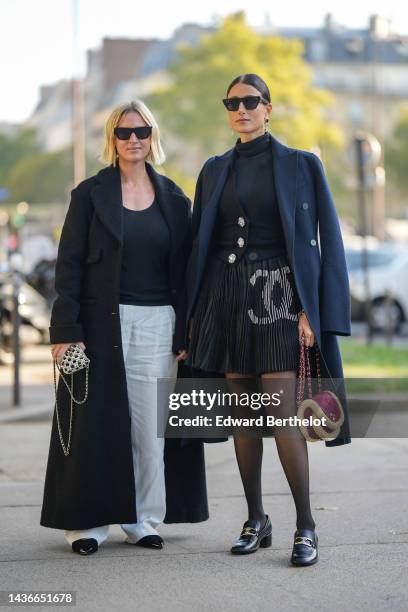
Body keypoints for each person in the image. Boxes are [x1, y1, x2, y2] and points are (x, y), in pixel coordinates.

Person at [185, 74, 351, 566]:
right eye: (233, 102)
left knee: (281, 416)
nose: (242, 109)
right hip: (228, 298)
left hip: (280, 297)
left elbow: (326, 242)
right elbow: (201, 245)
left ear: (268, 108)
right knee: (243, 418)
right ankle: (256, 518)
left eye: (251, 101)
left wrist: (313, 310)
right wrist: (192, 318)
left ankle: (306, 524)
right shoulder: (214, 169)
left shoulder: (302, 165)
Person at [41, 100, 208, 555]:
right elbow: (68, 267)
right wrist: (65, 330)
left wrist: (186, 333)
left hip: (159, 324)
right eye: (124, 132)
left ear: (153, 137)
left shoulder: (175, 199)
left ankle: (143, 520)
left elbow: (187, 273)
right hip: (99, 325)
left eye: (142, 131)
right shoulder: (89, 194)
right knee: (95, 427)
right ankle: (88, 524)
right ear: (112, 139)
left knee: (149, 431)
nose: (133, 139)